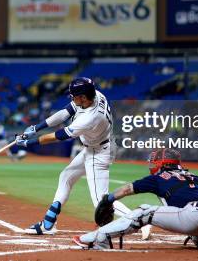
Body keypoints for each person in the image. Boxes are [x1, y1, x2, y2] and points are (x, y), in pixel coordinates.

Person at [16, 77, 151, 239]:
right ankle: (48, 223)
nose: (72, 98)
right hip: (94, 148)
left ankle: (140, 219)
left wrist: (28, 143)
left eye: (74, 95)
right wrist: (37, 127)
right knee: (66, 176)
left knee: (101, 203)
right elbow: (65, 112)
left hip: (98, 153)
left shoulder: (90, 118)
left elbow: (59, 135)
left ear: (83, 98)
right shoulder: (95, 95)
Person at [73, 148, 198, 251]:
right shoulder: (195, 176)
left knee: (145, 211)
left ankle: (98, 239)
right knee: (197, 230)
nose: (152, 165)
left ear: (162, 163)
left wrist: (108, 199)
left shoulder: (160, 177)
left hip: (194, 217)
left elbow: (126, 189)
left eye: (155, 162)